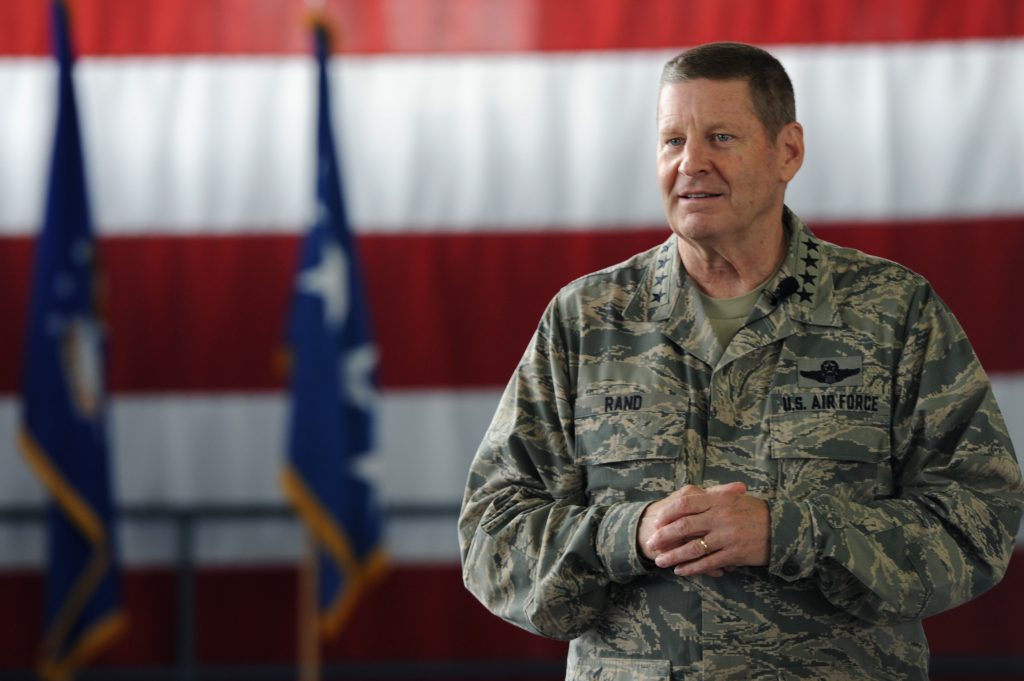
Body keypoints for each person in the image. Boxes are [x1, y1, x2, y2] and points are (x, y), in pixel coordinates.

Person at [458, 41, 1024, 680]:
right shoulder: (587, 320)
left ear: (788, 151)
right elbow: (490, 536)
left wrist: (791, 533)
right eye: (672, 141)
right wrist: (631, 534)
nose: (690, 163)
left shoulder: (894, 311)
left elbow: (979, 520)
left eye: (720, 137)